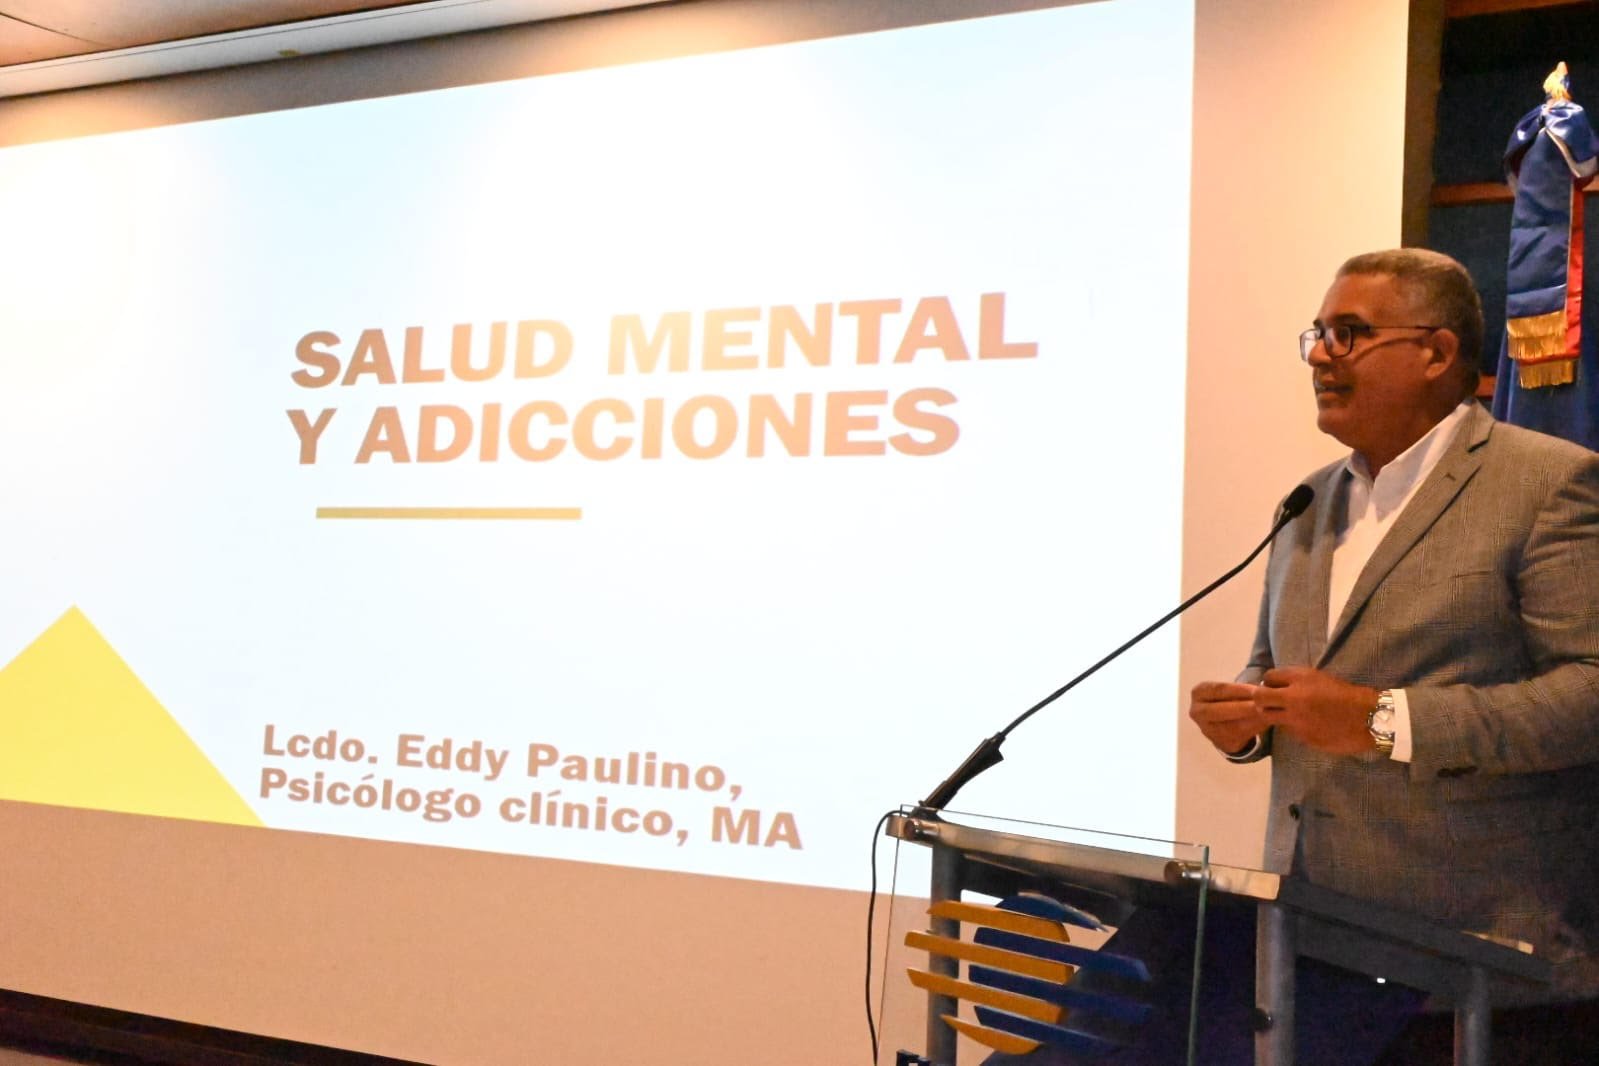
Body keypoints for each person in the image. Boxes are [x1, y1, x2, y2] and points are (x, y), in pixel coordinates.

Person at [1189, 248, 1599, 1062]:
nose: (1319, 356)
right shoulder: (1306, 501)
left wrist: (1381, 720)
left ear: (1436, 352)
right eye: (1316, 334)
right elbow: (1273, 660)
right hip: (1311, 958)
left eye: (1348, 334)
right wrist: (1247, 715)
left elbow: (1586, 696)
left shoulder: (1546, 484)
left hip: (1480, 972)